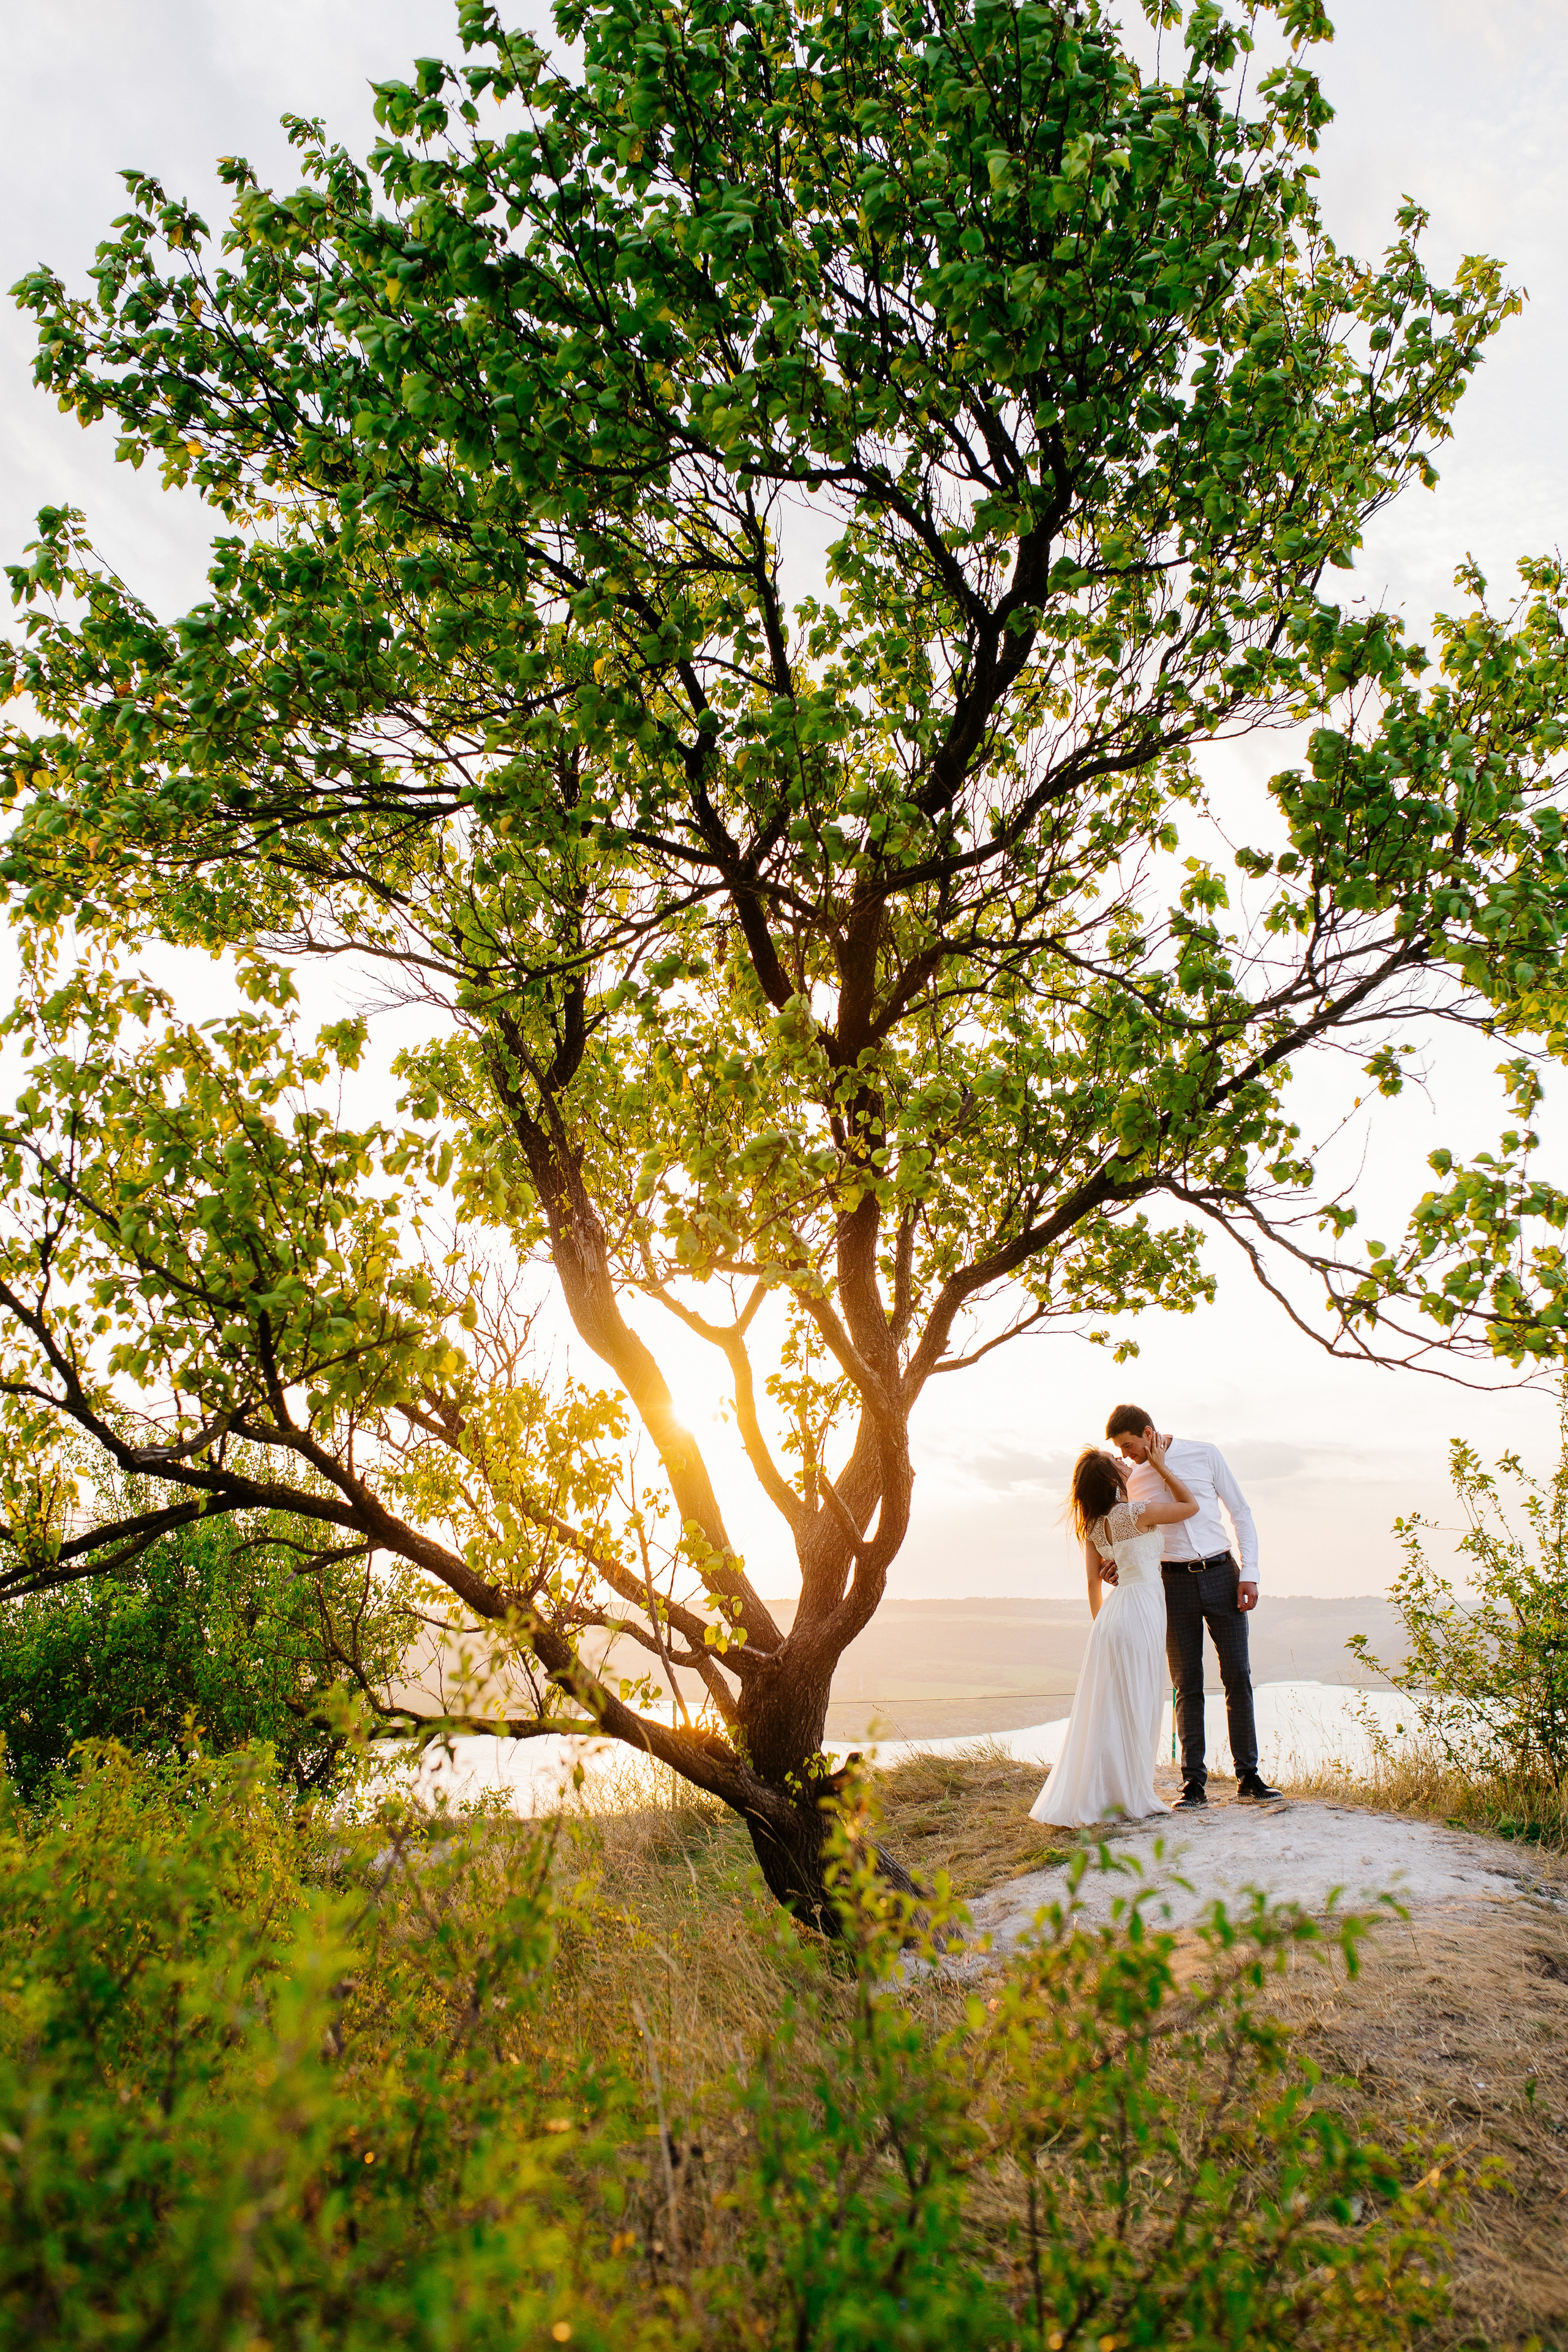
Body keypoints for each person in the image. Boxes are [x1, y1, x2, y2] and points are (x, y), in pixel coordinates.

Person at [1103, 1406, 1283, 1808]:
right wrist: (1118, 1563)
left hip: (1223, 1574)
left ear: (1148, 1433)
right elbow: (1133, 1531)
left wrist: (1249, 1572)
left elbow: (1241, 1512)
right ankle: (1193, 1784)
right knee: (1188, 1684)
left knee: (1238, 1674)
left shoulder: (1205, 1454)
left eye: (1130, 1446)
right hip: (1172, 1583)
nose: (1128, 1455)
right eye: (1122, 1450)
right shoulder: (1134, 1480)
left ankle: (1249, 1776)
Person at [1030, 1436, 1199, 1828]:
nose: (1125, 1464)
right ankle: (1130, 1792)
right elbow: (1191, 1506)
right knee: (1136, 1703)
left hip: (1112, 1619)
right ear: (1111, 1480)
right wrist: (1159, 1465)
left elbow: (1092, 1587)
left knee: (1110, 1708)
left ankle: (1111, 1790)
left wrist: (1103, 1630)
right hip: (1139, 1611)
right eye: (1116, 1462)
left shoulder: (1093, 1525)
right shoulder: (1134, 1513)